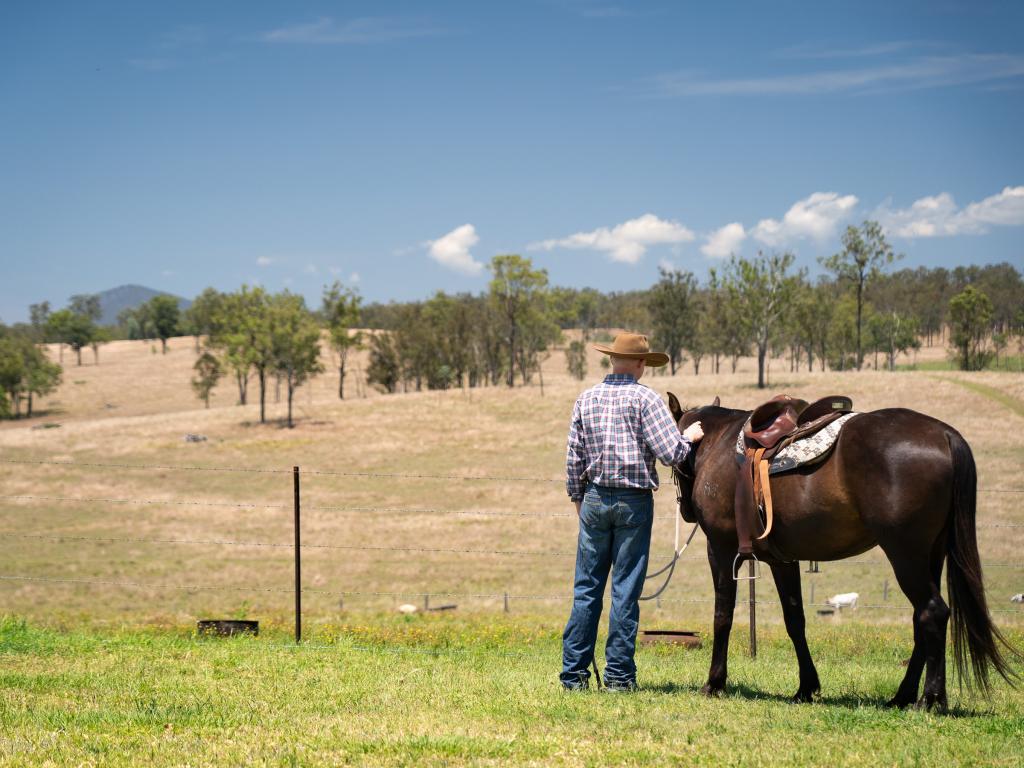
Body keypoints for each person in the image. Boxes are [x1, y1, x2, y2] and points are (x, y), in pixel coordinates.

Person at [561, 332, 704, 691]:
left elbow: (573, 459)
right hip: (633, 501)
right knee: (624, 590)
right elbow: (673, 453)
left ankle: (573, 676)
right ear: (641, 364)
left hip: (594, 499)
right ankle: (619, 678)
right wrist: (692, 437)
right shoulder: (646, 399)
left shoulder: (586, 399)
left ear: (613, 360)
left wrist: (580, 501)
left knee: (586, 589)